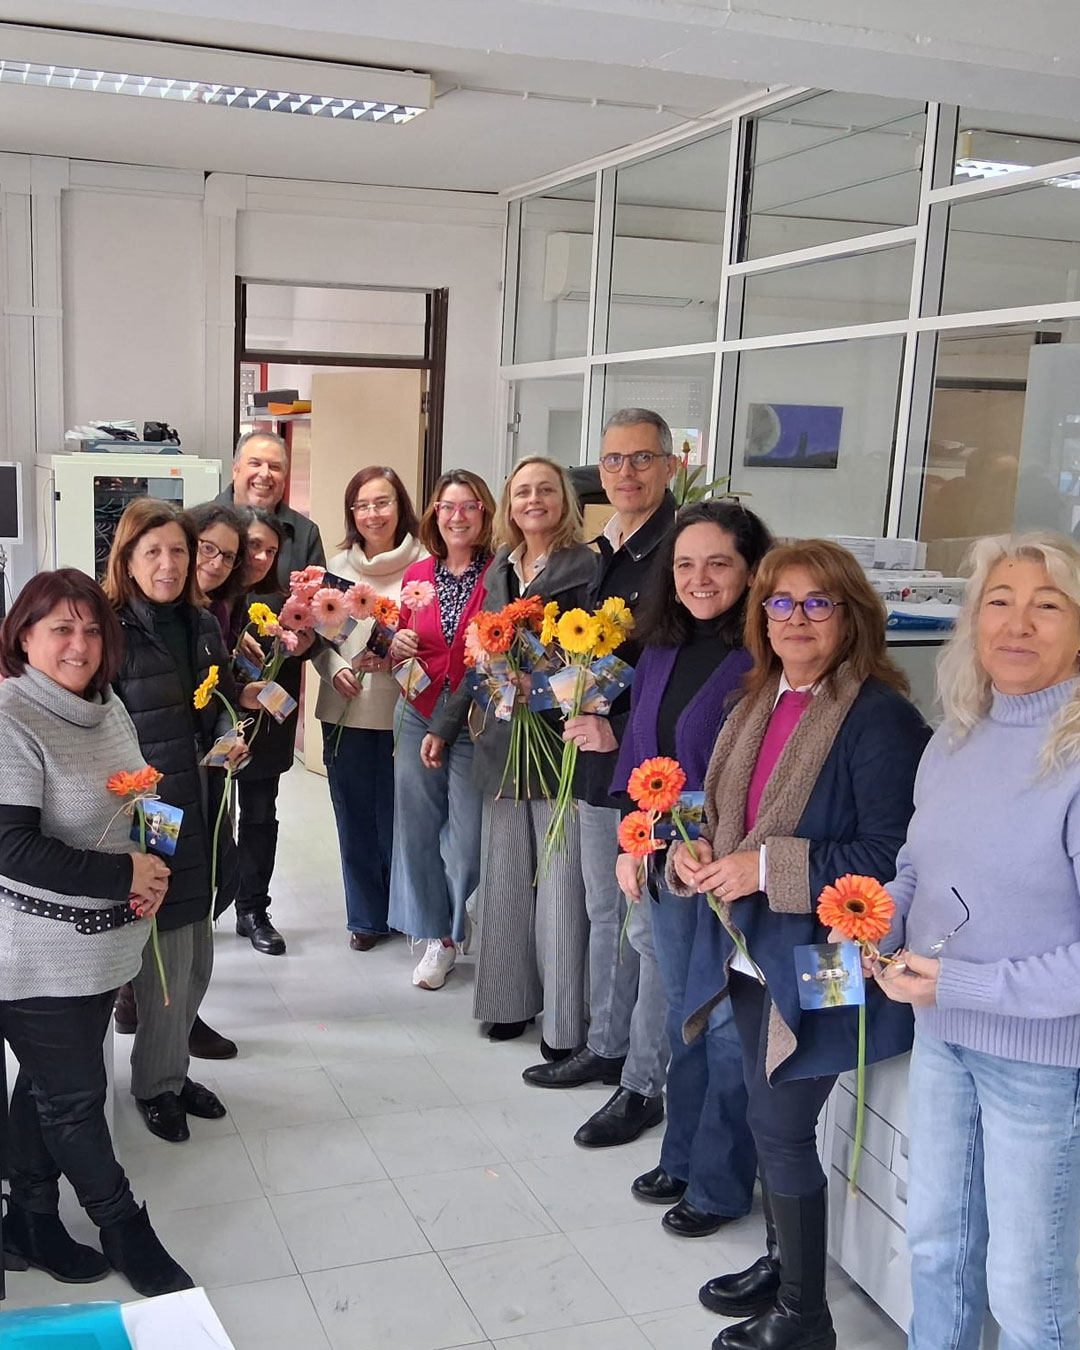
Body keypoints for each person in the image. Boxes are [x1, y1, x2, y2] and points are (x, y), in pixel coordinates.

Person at [667, 540, 929, 1350]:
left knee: (780, 1121)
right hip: (756, 947)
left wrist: (762, 867)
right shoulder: (757, 700)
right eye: (780, 602)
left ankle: (805, 1316)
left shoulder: (880, 718)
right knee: (764, 1106)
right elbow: (729, 818)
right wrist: (695, 850)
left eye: (819, 603)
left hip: (828, 955)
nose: (796, 619)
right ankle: (784, 1264)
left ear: (853, 616)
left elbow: (890, 854)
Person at [874, 532, 1080, 1350]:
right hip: (943, 1039)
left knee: (1028, 1294)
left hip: (1042, 1064)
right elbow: (917, 865)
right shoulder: (957, 735)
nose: (1017, 624)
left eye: (1047, 605)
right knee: (937, 1250)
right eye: (1000, 602)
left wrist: (961, 985)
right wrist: (880, 916)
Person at [0, 569, 192, 1296]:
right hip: (34, 953)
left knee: (47, 1087)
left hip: (103, 945)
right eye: (60, 629)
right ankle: (124, 1229)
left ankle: (30, 1219)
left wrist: (157, 862)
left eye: (91, 630)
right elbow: (10, 846)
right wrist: (124, 874)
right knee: (76, 1101)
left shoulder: (106, 706)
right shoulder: (12, 716)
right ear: (24, 637)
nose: (78, 645)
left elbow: (145, 791)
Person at [609, 501, 772, 1237]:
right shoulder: (662, 646)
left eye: (718, 563)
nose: (699, 578)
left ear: (752, 571)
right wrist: (634, 840)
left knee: (730, 1026)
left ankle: (720, 1183)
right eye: (684, 564)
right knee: (686, 1016)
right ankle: (681, 1155)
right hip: (670, 863)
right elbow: (641, 755)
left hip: (736, 868)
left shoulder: (765, 659)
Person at [522, 407, 678, 1151]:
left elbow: (677, 670)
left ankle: (643, 1081)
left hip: (644, 773)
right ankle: (606, 1045)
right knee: (601, 910)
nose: (626, 472)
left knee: (643, 928)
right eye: (613, 460)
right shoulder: (603, 549)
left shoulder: (679, 552)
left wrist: (621, 727)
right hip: (589, 760)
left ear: (670, 466)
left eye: (642, 459)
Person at [427, 456, 597, 1046]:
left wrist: (541, 689)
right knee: (503, 882)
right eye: (522, 491)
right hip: (501, 746)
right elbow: (479, 659)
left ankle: (564, 1023)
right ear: (509, 503)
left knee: (560, 888)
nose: (533, 500)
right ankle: (507, 1001)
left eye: (546, 490)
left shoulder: (587, 568)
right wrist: (446, 723)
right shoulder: (500, 567)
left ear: (565, 500)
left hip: (557, 748)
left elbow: (604, 666)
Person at [104, 499, 259, 1142]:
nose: (168, 564)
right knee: (165, 953)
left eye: (178, 551)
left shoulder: (200, 623)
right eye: (153, 552)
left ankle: (171, 1066)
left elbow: (216, 699)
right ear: (127, 561)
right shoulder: (108, 631)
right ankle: (156, 1083)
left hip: (203, 798)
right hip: (151, 811)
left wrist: (228, 734)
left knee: (196, 952)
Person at [387, 470, 495, 990]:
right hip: (417, 709)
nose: (457, 516)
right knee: (418, 830)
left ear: (485, 513)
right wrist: (396, 645)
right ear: (435, 514)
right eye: (448, 507)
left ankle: (457, 909)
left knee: (469, 840)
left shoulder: (499, 573)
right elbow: (399, 644)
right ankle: (440, 936)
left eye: (469, 506)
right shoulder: (418, 574)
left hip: (473, 717)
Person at [312, 466, 426, 948]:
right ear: (351, 513)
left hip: (407, 709)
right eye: (362, 505)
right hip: (348, 707)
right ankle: (364, 917)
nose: (373, 514)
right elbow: (316, 639)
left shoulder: (426, 563)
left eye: (382, 502)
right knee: (355, 814)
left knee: (404, 818)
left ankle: (404, 909)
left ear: (400, 507)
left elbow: (438, 637)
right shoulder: (337, 567)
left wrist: (402, 652)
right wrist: (334, 667)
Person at [225, 505, 315, 955]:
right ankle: (196, 909)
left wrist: (306, 638)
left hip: (267, 727)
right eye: (253, 546)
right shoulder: (206, 598)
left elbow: (309, 646)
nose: (261, 558)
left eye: (272, 551)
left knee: (260, 816)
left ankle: (253, 909)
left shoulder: (283, 601)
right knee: (206, 818)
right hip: (214, 724)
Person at [215, 430, 326, 577]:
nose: (265, 474)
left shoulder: (305, 534)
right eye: (255, 463)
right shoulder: (201, 524)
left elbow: (317, 589)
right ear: (235, 469)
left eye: (274, 467)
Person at [185, 500, 249, 651]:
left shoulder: (218, 612)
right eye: (208, 548)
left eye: (228, 557)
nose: (217, 563)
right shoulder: (158, 606)